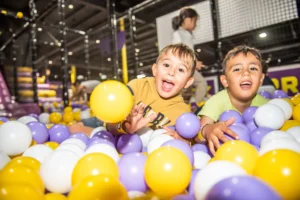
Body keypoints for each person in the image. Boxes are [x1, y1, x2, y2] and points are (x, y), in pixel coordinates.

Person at [69, 44, 197, 143]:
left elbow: (190, 141)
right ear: (155, 69)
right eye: (166, 64)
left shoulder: (183, 114)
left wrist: (183, 140)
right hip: (107, 123)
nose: (171, 72)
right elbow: (110, 124)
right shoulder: (139, 85)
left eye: (181, 69)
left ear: (188, 82)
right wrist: (125, 126)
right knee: (73, 129)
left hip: (137, 145)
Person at [196, 45, 269, 154]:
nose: (246, 73)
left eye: (253, 68)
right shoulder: (216, 102)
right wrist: (207, 130)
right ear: (225, 81)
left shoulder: (266, 106)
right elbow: (196, 135)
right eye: (237, 69)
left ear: (261, 79)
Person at [172, 7, 207, 104]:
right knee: (197, 85)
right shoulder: (178, 34)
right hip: (182, 68)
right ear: (188, 20)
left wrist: (194, 62)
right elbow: (178, 53)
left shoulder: (187, 34)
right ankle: (194, 105)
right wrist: (193, 63)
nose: (195, 24)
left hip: (188, 67)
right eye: (194, 21)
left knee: (188, 91)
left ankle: (192, 106)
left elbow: (189, 52)